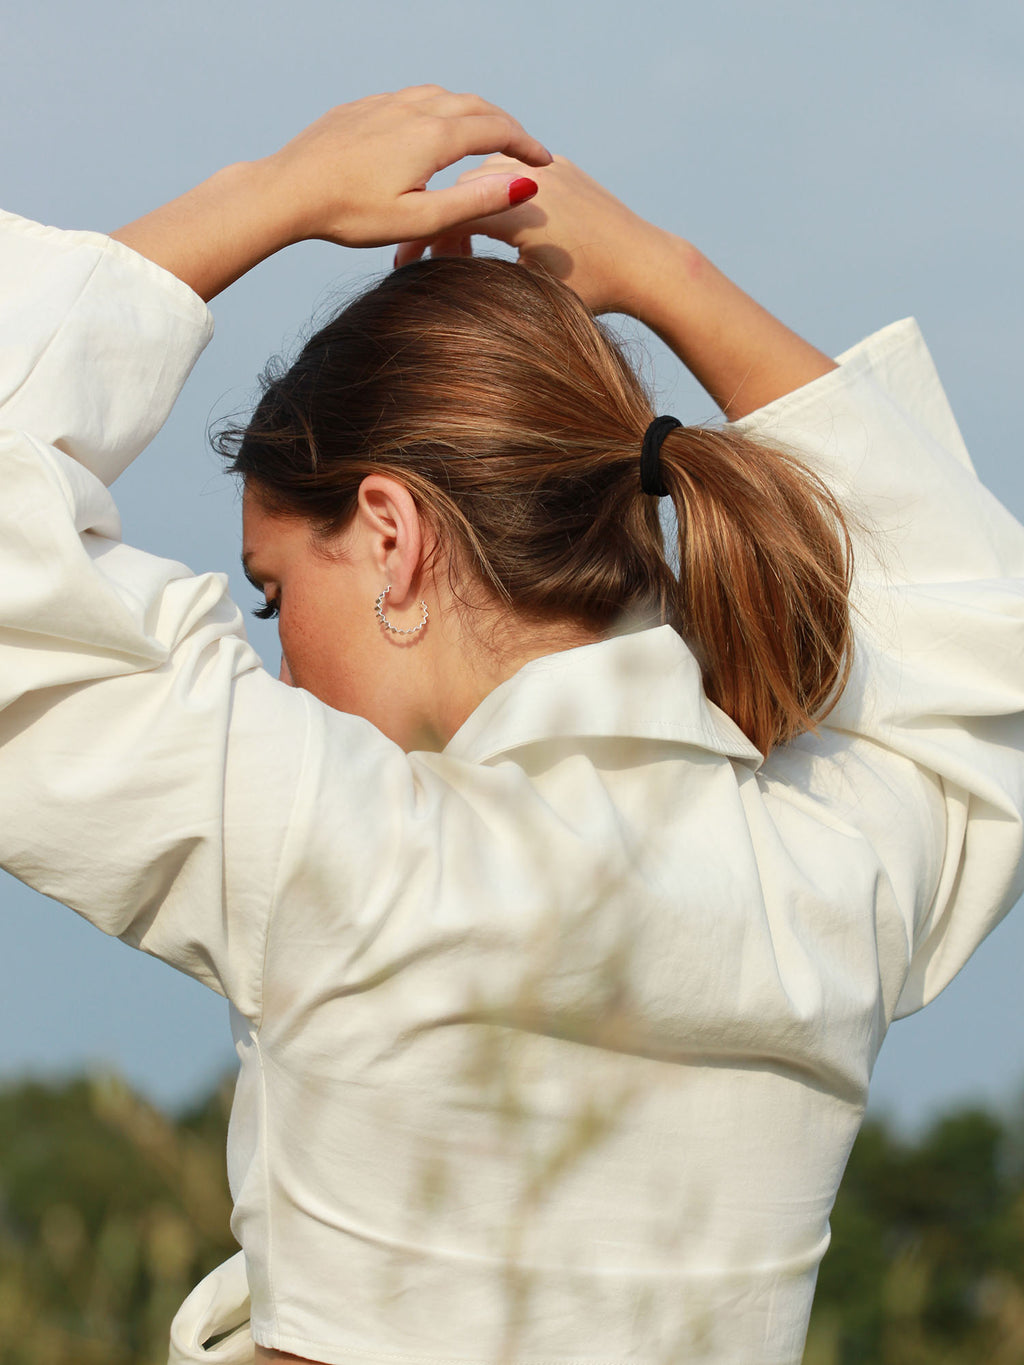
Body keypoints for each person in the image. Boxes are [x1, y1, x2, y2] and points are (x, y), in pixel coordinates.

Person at [1, 85, 1022, 1365]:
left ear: (390, 535)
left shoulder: (343, 843)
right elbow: (974, 630)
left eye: (274, 597)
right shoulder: (831, 878)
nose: (284, 659)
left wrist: (273, 192)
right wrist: (667, 275)